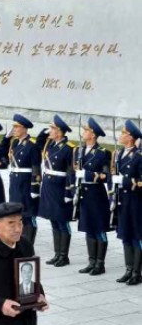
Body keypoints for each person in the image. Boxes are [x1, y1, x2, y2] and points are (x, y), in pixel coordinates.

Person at [75, 117, 112, 276]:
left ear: (93, 135)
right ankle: (91, 261)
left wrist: (87, 174)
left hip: (96, 194)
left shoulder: (103, 153)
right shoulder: (79, 150)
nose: (83, 133)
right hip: (83, 193)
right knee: (88, 229)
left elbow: (106, 175)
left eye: (86, 131)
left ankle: (100, 264)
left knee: (99, 229)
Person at [37, 115, 75, 267]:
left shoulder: (69, 148)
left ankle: (64, 256)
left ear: (60, 132)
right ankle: (57, 254)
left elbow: (70, 172)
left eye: (52, 128)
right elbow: (38, 144)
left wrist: (68, 192)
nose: (50, 131)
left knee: (62, 222)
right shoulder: (50, 145)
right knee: (53, 220)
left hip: (60, 188)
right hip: (48, 186)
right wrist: (43, 132)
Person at [112, 120, 142, 285]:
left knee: (137, 236)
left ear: (130, 137)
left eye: (123, 133)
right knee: (125, 235)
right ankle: (128, 269)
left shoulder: (139, 156)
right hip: (122, 200)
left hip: (135, 201)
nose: (121, 136)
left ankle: (137, 273)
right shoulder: (119, 154)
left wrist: (125, 181)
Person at [6, 114, 42, 245]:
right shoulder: (15, 142)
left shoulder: (32, 145)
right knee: (17, 215)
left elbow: (36, 167)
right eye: (14, 127)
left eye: (17, 127)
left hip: (26, 184)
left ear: (25, 129)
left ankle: (29, 245)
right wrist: (6, 138)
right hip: (15, 183)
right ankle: (19, 242)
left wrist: (34, 187)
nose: (14, 129)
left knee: (28, 216)